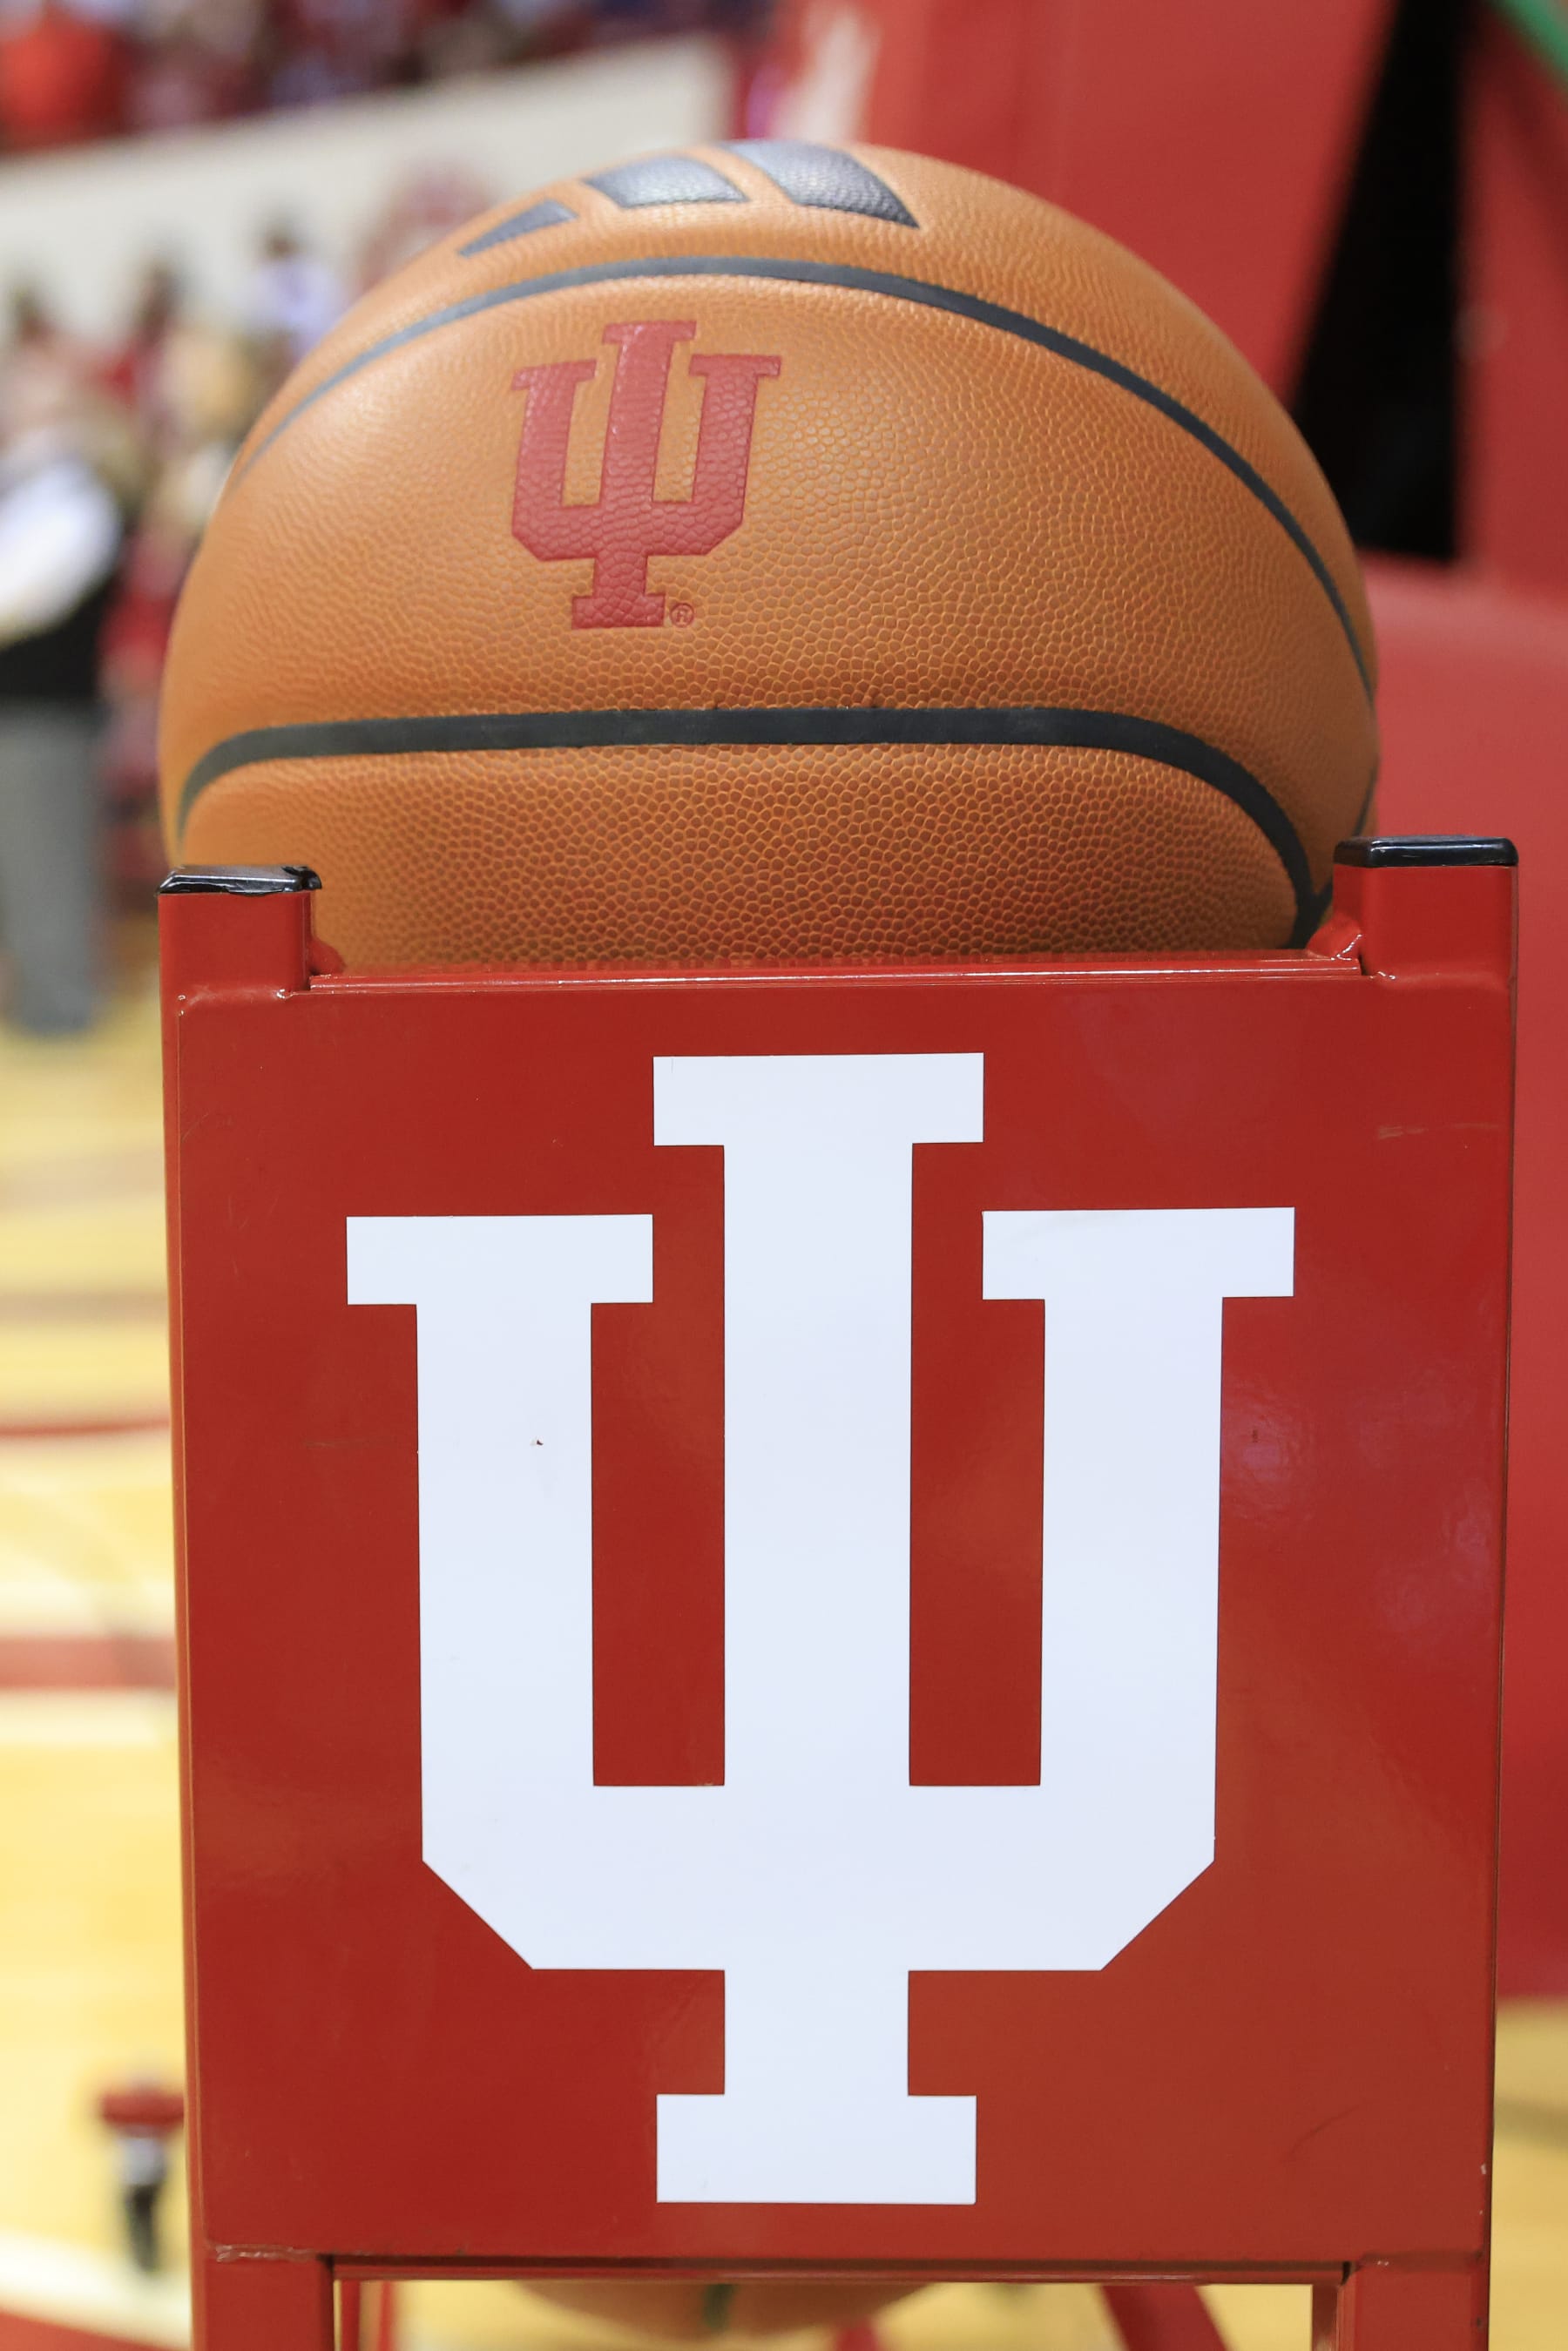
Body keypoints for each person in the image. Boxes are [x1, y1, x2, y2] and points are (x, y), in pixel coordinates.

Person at [0, 286, 126, 1034]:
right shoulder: (23, 492)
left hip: (47, 716)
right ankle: (39, 1007)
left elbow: (17, 597)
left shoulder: (79, 499)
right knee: (21, 872)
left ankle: (65, 1010)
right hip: (18, 713)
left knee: (49, 866)